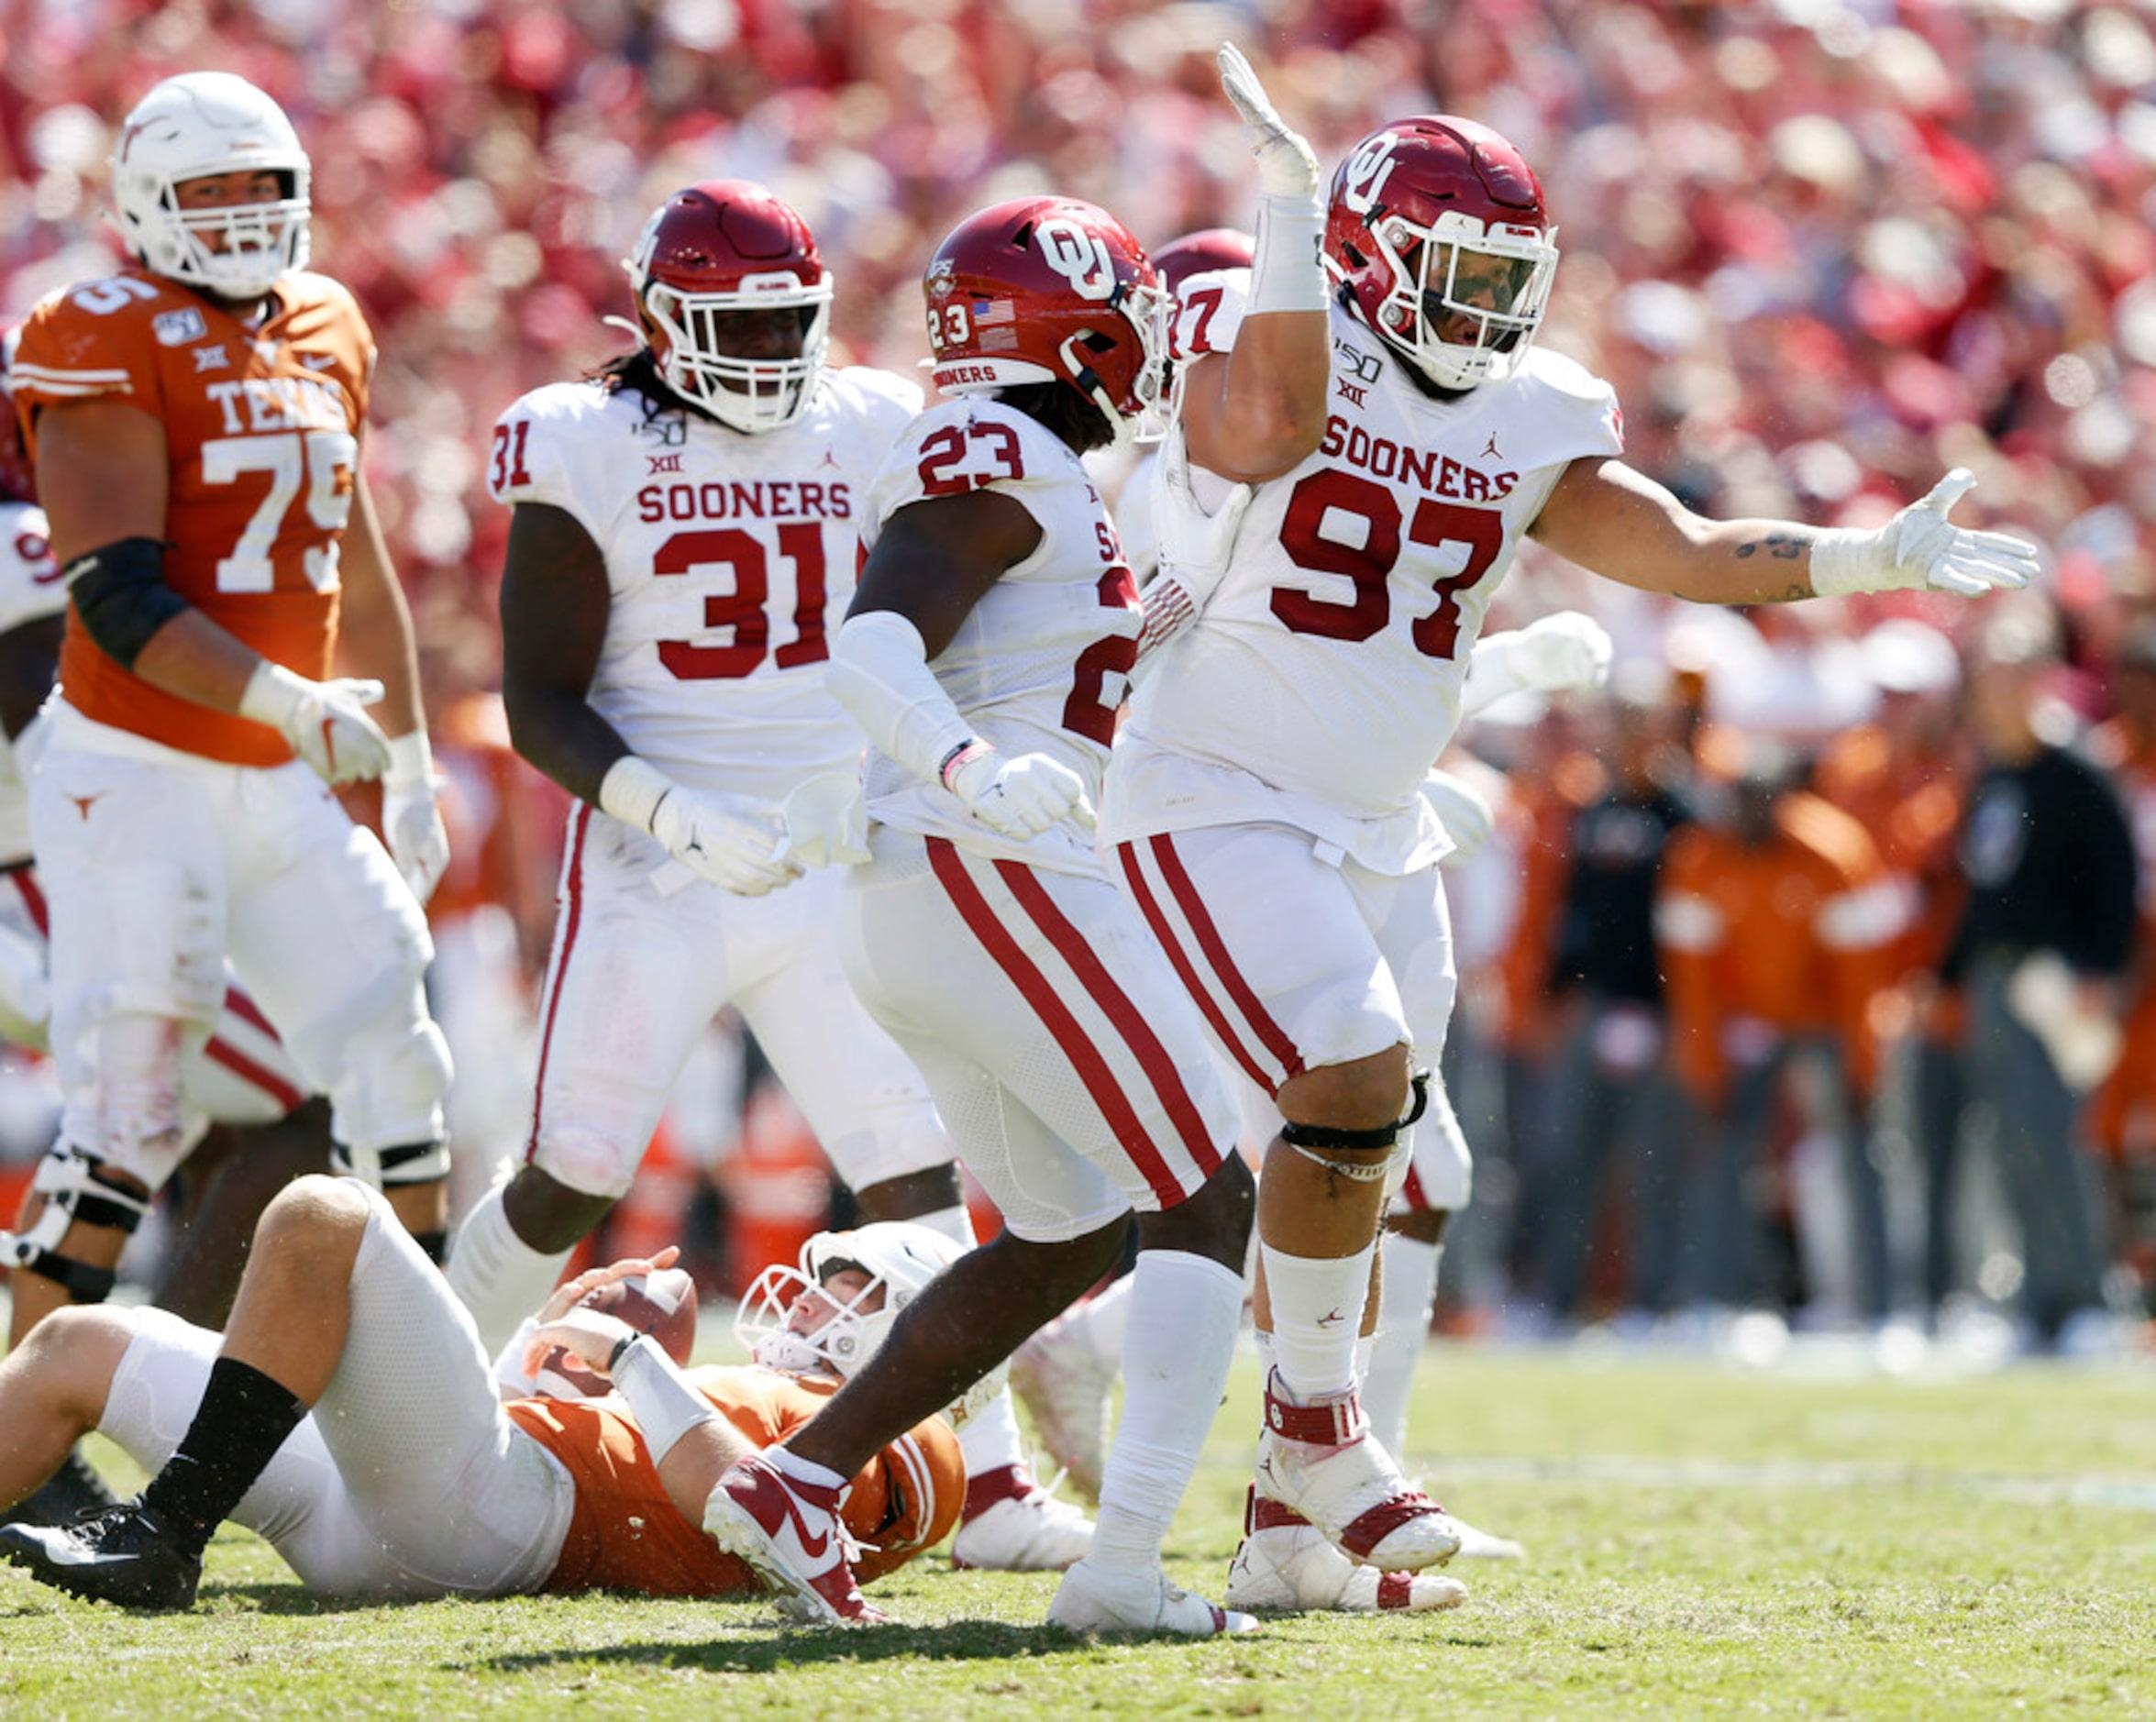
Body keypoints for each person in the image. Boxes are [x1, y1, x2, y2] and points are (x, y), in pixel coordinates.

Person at [1105, 102, 2037, 1586]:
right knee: (1337, 1078)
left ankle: (1291, 1518)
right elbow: (1263, 424)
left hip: (1374, 818)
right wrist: (1280, 216)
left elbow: (1671, 543)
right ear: (1354, 251)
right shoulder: (1274, 334)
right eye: (1453, 272)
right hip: (1209, 787)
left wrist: (1863, 557)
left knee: (1407, 1149)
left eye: (1505, 277)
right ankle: (1311, 1429)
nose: (1487, 308)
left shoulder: (1532, 407)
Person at [697, 50, 1388, 1637]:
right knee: (1204, 1197)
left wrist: (1146, 632)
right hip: (978, 864)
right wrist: (965, 762)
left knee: (1067, 1227)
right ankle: (1125, 1564)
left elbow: (1015, 654)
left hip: (936, 875)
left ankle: (798, 1477)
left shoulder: (1034, 465)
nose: (1145, 348)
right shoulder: (1003, 448)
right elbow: (871, 649)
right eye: (1129, 318)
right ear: (1073, 326)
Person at [453, 178, 1084, 1573]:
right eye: (735, 323)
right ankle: (428, 1417)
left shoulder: (864, 419)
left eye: (789, 317)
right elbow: (539, 698)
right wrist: (673, 813)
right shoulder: (585, 438)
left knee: (917, 1173)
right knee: (568, 1174)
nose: (768, 348)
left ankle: (980, 1482)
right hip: (653, 863)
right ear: (660, 319)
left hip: (825, 858)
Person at [0, 73, 454, 1351]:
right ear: (146, 205)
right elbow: (121, 598)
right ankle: (23, 1436)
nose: (245, 214)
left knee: (395, 1052)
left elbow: (352, 564)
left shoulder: (326, 322)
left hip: (274, 770)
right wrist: (292, 700)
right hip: (132, 772)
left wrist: (409, 763)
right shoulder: (97, 328)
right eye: (212, 190)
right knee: (129, 1108)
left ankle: (422, 1392)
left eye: (266, 186)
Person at [0, 1185, 963, 1611]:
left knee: (321, 1213)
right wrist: (547, 1355)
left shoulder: (919, 1443)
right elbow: (524, 1433)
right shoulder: (772, 1387)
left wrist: (632, 1359)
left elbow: (762, 1523)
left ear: (924, 1336)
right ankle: (163, 1530)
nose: (809, 1296)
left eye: (852, 1289)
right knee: (74, 1345)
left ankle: (163, 1532)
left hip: (503, 1524)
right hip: (438, 1507)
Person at [1940, 609, 2137, 1352]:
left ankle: (2084, 1297)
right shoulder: (1992, 771)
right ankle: (2034, 1300)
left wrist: (2100, 970)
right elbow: (1983, 887)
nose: (1994, 693)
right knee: (2007, 1140)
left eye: (2007, 676)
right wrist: (1945, 976)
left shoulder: (2075, 772)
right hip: (1996, 982)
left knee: (2051, 1135)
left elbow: (2116, 881)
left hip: (2057, 984)